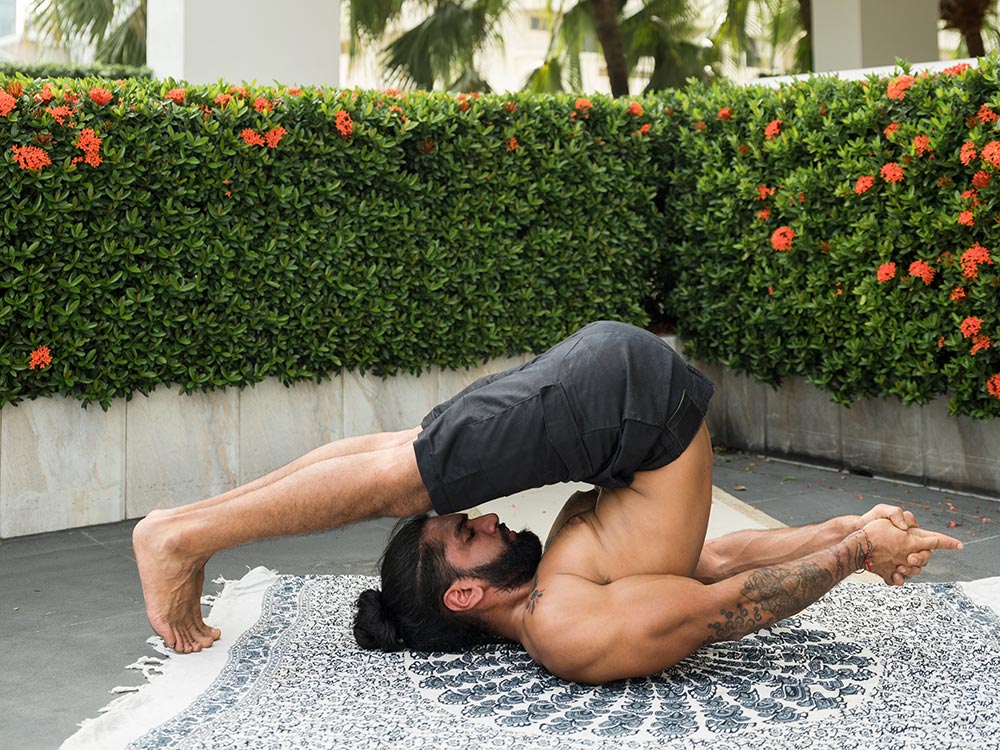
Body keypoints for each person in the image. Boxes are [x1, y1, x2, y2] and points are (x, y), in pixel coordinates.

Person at [132, 321, 959, 659]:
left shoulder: (560, 592)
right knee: (400, 469)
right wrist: (850, 540)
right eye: (468, 534)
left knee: (403, 464)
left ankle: (185, 530)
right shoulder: (564, 625)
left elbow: (711, 576)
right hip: (623, 400)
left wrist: (856, 546)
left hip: (622, 402)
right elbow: (721, 588)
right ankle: (181, 534)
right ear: (462, 594)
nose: (489, 518)